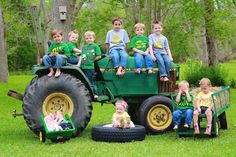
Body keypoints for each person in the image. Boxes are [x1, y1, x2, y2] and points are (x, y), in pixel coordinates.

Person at [79, 31, 101, 98]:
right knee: (84, 81)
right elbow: (82, 56)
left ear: (94, 38)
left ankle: (94, 94)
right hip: (83, 66)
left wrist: (92, 60)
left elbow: (99, 56)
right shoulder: (84, 47)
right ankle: (86, 94)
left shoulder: (95, 46)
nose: (89, 39)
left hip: (90, 67)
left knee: (90, 81)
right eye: (87, 38)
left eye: (90, 38)